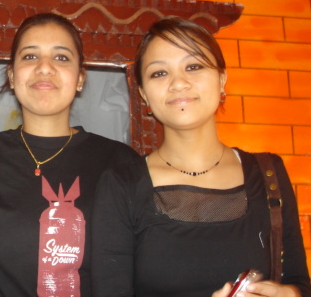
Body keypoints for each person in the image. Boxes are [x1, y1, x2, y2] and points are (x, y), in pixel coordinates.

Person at [91, 17, 311, 297]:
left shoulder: (269, 174)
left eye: (193, 66)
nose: (179, 83)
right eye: (160, 73)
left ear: (222, 79)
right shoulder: (121, 184)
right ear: (144, 95)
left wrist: (288, 294)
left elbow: (299, 283)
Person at [0, 12, 139, 296]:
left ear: (80, 78)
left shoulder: (121, 163)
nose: (44, 67)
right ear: (12, 76)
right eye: (30, 56)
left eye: (61, 57)